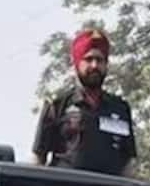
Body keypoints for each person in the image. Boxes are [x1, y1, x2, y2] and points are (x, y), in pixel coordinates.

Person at [32, 28, 136, 176]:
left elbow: (127, 165)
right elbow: (38, 157)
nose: (94, 65)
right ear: (76, 64)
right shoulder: (57, 105)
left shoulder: (120, 109)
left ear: (106, 65)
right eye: (88, 59)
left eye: (99, 60)